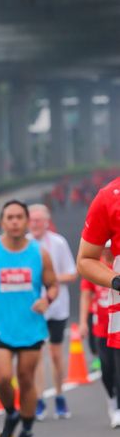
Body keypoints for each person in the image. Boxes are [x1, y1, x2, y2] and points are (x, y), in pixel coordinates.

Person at [0, 200, 58, 437]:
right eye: (10, 217)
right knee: (3, 378)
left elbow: (53, 285)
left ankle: (27, 431)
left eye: (19, 217)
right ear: (2, 222)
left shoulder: (39, 253)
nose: (15, 221)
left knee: (26, 380)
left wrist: (47, 299)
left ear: (26, 221)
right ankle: (11, 413)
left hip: (30, 327)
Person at [28, 204, 77, 420]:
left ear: (47, 222)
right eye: (32, 220)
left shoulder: (58, 243)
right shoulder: (23, 244)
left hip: (57, 306)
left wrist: (50, 279)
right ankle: (39, 399)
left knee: (56, 355)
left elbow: (72, 273)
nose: (35, 224)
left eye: (39, 220)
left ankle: (59, 395)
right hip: (33, 307)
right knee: (37, 354)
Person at [77, 176, 120, 422]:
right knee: (107, 367)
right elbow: (85, 262)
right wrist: (116, 280)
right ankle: (114, 404)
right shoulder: (109, 197)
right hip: (106, 324)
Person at [79, 243, 120, 426]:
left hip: (118, 328)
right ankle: (111, 400)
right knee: (107, 369)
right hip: (102, 329)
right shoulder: (93, 267)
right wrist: (82, 322)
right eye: (105, 246)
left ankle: (118, 409)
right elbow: (85, 295)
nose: (107, 250)